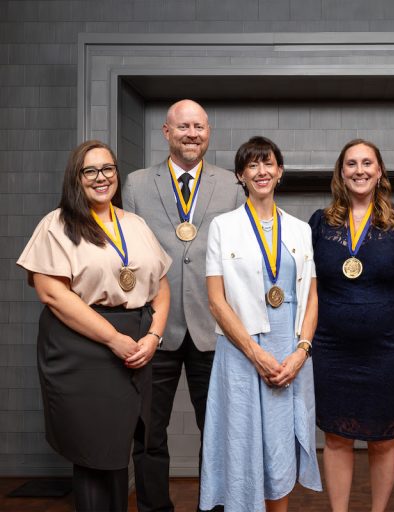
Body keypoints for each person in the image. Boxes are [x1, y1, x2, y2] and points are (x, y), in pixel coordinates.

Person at [16, 140, 171, 512]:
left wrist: (153, 335)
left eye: (108, 169)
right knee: (95, 452)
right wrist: (114, 338)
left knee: (120, 446)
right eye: (91, 171)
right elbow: (51, 293)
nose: (102, 178)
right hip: (82, 347)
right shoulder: (57, 224)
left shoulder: (134, 223)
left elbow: (161, 285)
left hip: (136, 344)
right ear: (76, 177)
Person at [123, 99, 243, 511]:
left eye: (200, 127)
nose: (192, 133)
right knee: (149, 433)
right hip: (154, 328)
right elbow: (130, 254)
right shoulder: (137, 184)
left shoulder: (231, 184)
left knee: (217, 433)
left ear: (208, 132)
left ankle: (215, 506)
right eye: (184, 126)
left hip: (213, 327)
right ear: (166, 132)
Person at [310, 139, 394, 512]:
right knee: (335, 438)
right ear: (341, 173)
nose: (359, 170)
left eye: (367, 163)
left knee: (384, 438)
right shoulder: (320, 222)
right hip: (331, 348)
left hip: (389, 349)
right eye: (351, 164)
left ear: (380, 172)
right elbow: (308, 285)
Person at [200, 136, 321, 512]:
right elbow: (217, 301)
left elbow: (312, 297)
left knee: (280, 448)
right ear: (241, 175)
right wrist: (255, 353)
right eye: (252, 165)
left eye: (268, 163)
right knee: (242, 446)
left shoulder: (301, 229)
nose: (261, 171)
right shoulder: (223, 226)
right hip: (241, 352)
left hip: (290, 353)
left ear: (280, 172)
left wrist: (302, 351)